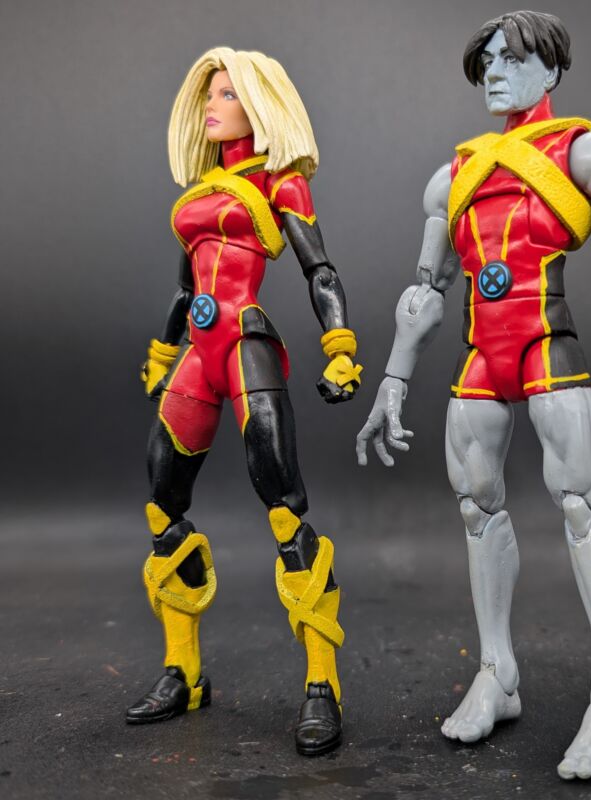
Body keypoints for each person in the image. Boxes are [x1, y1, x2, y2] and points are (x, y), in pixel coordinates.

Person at [356, 11, 591, 780]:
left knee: (581, 508)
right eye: (484, 61)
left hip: (545, 343)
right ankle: (498, 672)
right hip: (479, 357)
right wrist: (391, 379)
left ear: (549, 70)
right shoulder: (453, 175)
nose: (493, 72)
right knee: (475, 508)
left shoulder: (585, 150)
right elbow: (424, 290)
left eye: (511, 59)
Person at [129, 47, 362, 756]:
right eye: (209, 93)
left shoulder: (279, 183)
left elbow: (320, 269)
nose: (211, 104)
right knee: (163, 505)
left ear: (258, 106)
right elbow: (185, 289)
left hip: (244, 343)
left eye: (227, 93)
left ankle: (322, 684)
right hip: (198, 354)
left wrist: (340, 345)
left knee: (284, 507)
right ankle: (183, 671)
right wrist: (163, 352)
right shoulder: (201, 190)